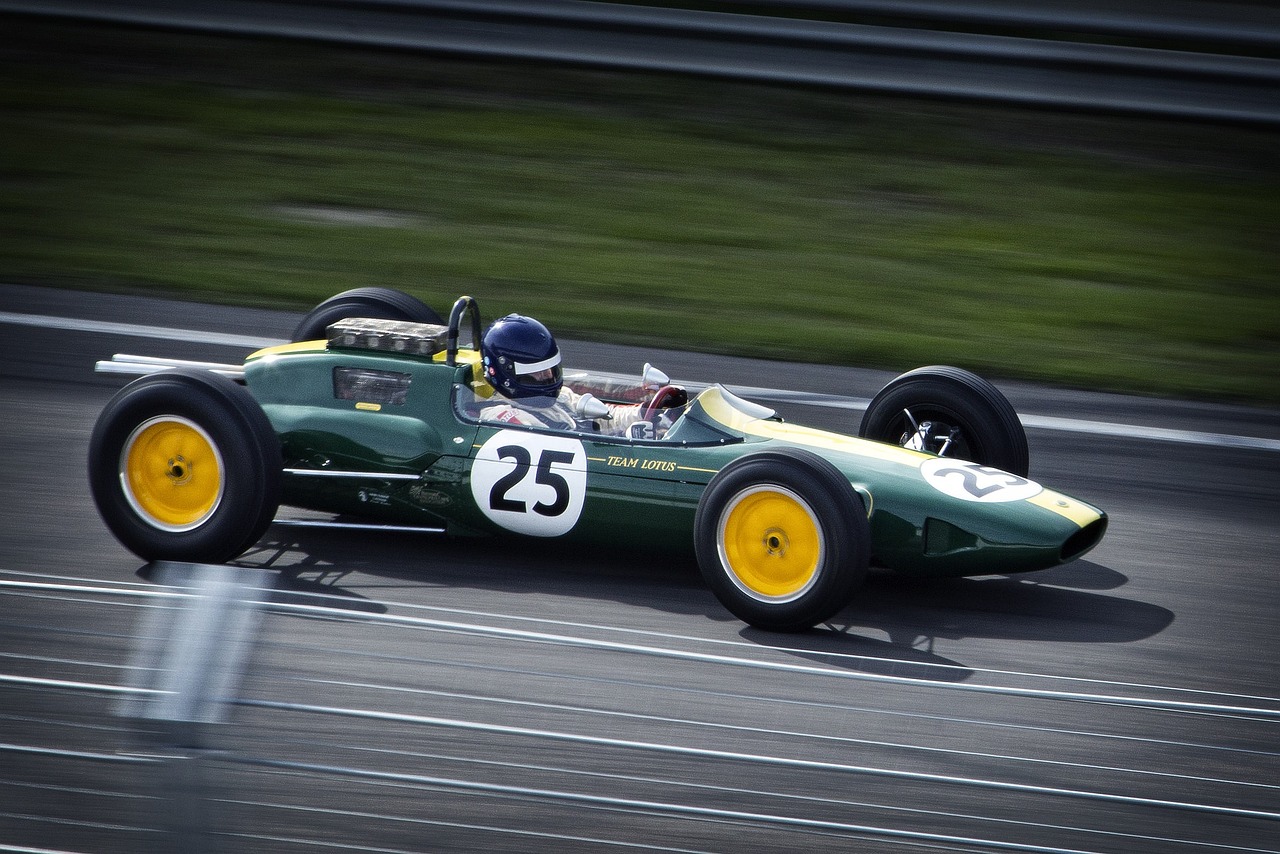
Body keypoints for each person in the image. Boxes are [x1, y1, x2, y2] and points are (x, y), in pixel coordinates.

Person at [477, 313, 682, 434]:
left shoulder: (562, 397)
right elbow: (561, 446)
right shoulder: (501, 416)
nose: (548, 376)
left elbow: (604, 418)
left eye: (551, 368)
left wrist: (648, 412)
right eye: (538, 372)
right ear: (505, 373)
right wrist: (627, 436)